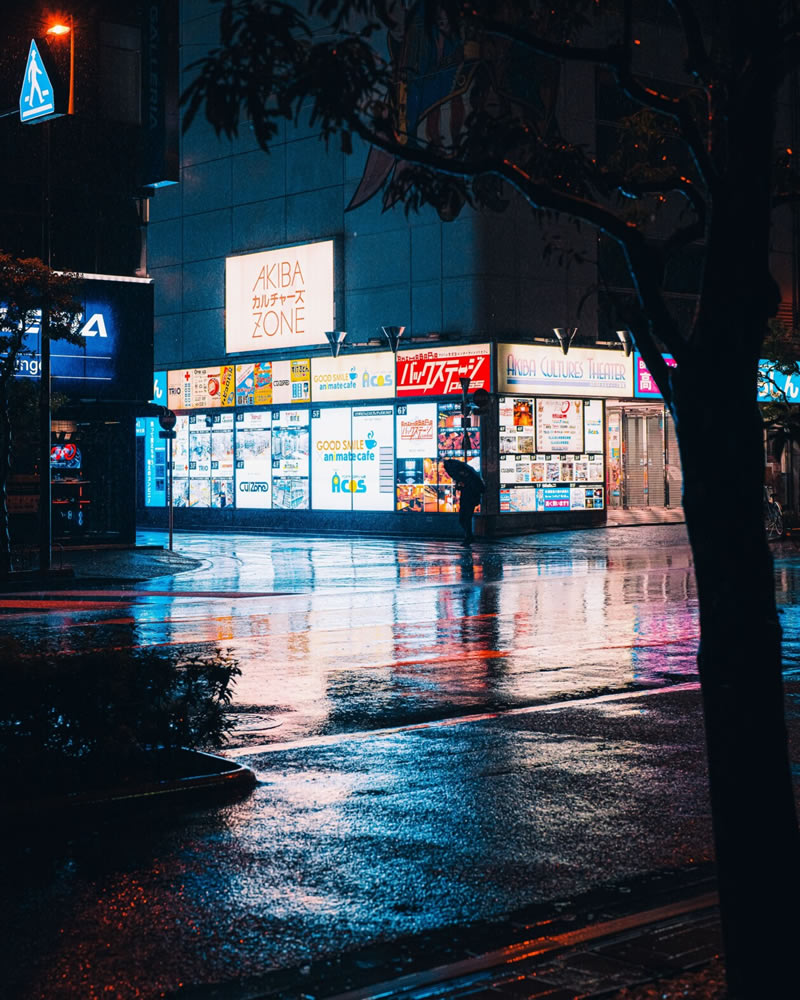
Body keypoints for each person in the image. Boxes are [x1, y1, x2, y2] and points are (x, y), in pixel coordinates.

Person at [454, 470, 484, 545]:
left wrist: (464, 485)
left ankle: (468, 537)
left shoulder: (472, 480)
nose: (461, 473)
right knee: (462, 520)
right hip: (464, 502)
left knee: (467, 519)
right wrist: (458, 483)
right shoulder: (463, 479)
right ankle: (469, 536)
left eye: (462, 472)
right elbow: (458, 488)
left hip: (470, 502)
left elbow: (474, 490)